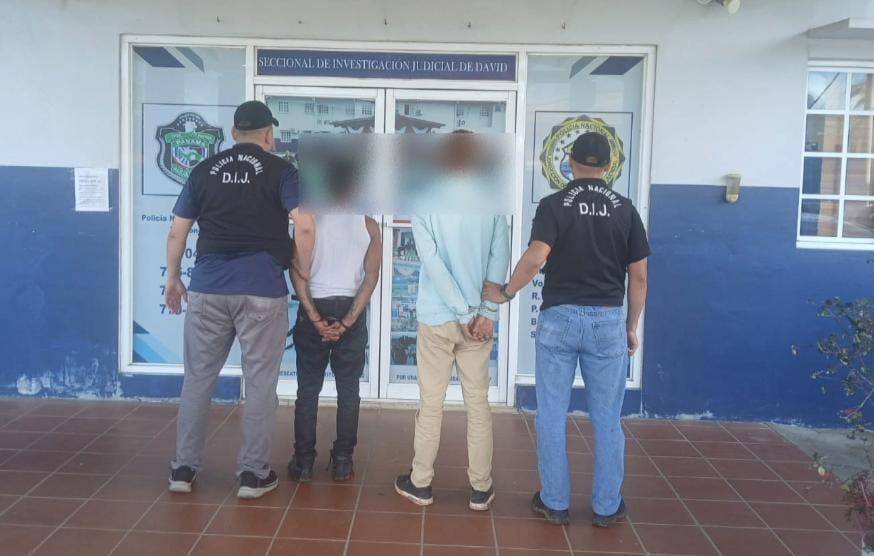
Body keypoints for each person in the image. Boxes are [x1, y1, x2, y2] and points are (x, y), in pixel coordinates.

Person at [483, 132, 649, 527]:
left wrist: (506, 292)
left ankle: (555, 502)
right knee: (607, 418)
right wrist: (630, 326)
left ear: (570, 163)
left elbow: (535, 258)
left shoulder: (554, 205)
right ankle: (607, 507)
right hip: (607, 320)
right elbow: (639, 277)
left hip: (559, 319)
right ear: (608, 167)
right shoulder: (626, 210)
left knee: (552, 414)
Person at [164, 100, 314, 499]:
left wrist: (174, 278)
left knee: (198, 379)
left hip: (208, 289)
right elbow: (304, 225)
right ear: (269, 135)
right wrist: (301, 268)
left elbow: (178, 231)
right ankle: (252, 475)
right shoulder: (282, 171)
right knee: (261, 384)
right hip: (262, 290)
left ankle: (183, 469)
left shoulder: (202, 171)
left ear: (233, 133)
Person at [394, 131, 510, 512]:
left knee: (431, 403)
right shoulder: (491, 202)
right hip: (478, 322)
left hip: (438, 318)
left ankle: (421, 483)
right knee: (478, 405)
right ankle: (481, 489)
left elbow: (432, 264)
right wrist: (485, 313)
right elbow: (499, 259)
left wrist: (462, 312)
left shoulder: (425, 201)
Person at [287, 213, 381, 482]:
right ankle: (343, 462)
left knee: (308, 390)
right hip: (350, 308)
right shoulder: (368, 224)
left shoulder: (308, 219)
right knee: (349, 391)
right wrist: (348, 321)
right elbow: (371, 277)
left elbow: (297, 273)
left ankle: (303, 462)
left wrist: (315, 319)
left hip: (314, 305)